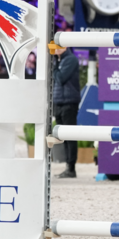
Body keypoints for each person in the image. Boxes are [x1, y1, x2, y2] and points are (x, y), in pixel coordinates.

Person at [52, 46, 81, 178]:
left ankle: (71, 167)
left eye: (59, 46)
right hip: (59, 101)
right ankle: (68, 167)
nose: (56, 49)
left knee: (70, 136)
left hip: (69, 102)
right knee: (63, 137)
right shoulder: (59, 60)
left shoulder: (71, 59)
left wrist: (54, 66)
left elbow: (60, 78)